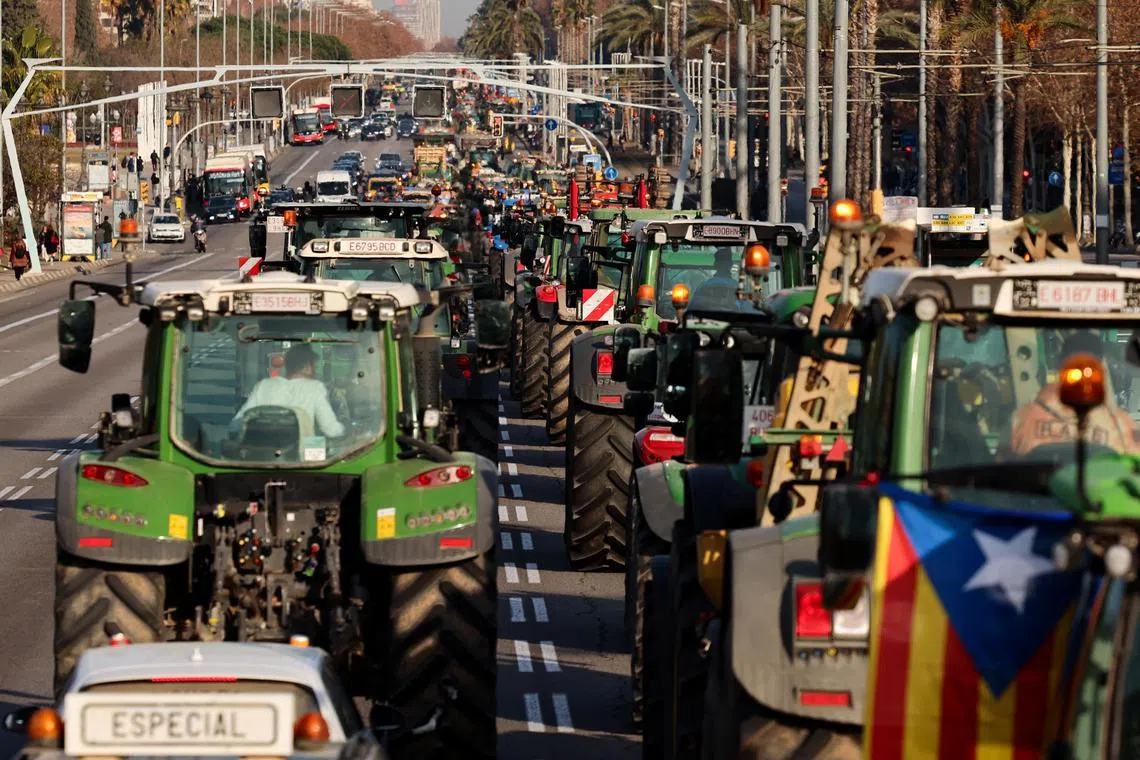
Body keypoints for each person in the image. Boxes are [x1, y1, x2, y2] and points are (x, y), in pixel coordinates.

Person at [1008, 330, 1140, 456]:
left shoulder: (1022, 420)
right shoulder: (1121, 427)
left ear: (1059, 365)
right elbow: (1133, 471)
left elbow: (1002, 467)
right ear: (1101, 370)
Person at [233, 344, 345, 438]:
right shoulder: (315, 388)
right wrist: (346, 430)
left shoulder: (264, 385)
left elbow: (237, 424)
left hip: (264, 454)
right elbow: (330, 429)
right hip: (301, 456)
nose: (315, 371)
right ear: (307, 367)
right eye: (314, 366)